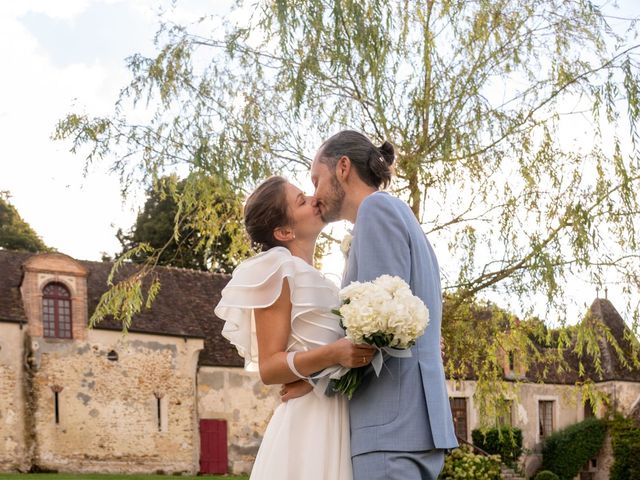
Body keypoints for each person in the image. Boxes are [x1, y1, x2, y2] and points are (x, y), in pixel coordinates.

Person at [307, 130, 459, 479]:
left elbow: (379, 328)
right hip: (408, 423)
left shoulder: (376, 210)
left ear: (343, 167)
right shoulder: (398, 215)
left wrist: (312, 382)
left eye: (317, 180)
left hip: (389, 424)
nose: (314, 195)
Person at [214, 175, 375, 480]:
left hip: (337, 412)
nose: (315, 198)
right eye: (302, 200)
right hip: (309, 424)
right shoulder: (277, 268)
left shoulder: (325, 279)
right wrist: (333, 355)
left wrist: (315, 377)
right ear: (284, 231)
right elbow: (270, 368)